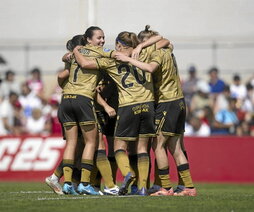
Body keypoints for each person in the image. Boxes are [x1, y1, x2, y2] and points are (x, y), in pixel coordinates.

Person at [72, 30, 170, 196]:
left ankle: (127, 174)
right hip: (147, 105)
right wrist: (140, 46)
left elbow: (86, 64)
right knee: (142, 149)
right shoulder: (143, 53)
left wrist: (75, 50)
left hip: (128, 106)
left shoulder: (112, 59)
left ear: (118, 45)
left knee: (118, 147)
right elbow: (164, 39)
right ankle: (143, 187)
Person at [115, 26, 197, 196]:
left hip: (167, 102)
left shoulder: (155, 52)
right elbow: (165, 39)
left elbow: (151, 68)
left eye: (139, 43)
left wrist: (130, 57)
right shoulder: (167, 48)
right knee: (176, 146)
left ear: (144, 42)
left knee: (158, 145)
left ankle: (164, 187)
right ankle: (188, 186)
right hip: (179, 101)